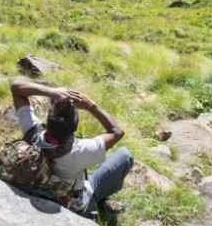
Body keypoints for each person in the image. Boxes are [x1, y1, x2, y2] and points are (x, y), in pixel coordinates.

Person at [10, 79, 133, 217]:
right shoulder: (80, 150)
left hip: (40, 188)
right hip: (73, 204)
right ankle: (98, 202)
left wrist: (51, 92)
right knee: (125, 156)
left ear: (48, 121)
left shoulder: (32, 133)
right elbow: (117, 132)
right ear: (74, 128)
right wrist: (91, 106)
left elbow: (16, 87)